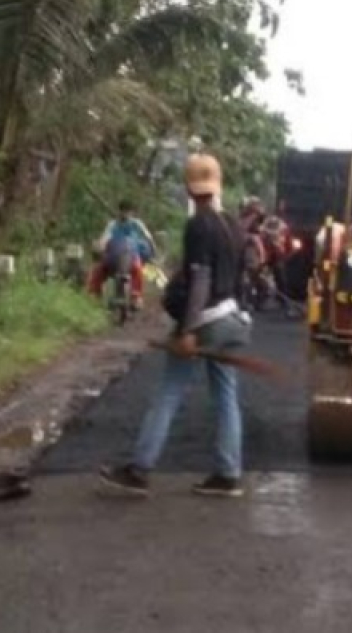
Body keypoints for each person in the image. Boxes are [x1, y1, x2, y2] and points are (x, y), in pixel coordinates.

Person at [99, 153, 253, 498]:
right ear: (218, 184)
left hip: (206, 321)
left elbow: (200, 279)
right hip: (233, 319)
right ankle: (228, 474)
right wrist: (242, 317)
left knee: (170, 390)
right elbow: (242, 277)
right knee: (227, 395)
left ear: (188, 188)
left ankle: (138, 469)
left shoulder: (199, 224)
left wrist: (187, 330)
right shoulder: (233, 224)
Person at [85, 200, 157, 308]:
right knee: (99, 269)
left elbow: (147, 236)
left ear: (132, 213)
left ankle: (136, 296)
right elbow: (106, 236)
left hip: (132, 254)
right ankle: (94, 293)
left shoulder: (136, 224)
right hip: (114, 255)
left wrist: (153, 248)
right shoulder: (113, 224)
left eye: (127, 211)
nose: (125, 214)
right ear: (119, 212)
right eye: (123, 211)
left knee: (137, 270)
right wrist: (101, 245)